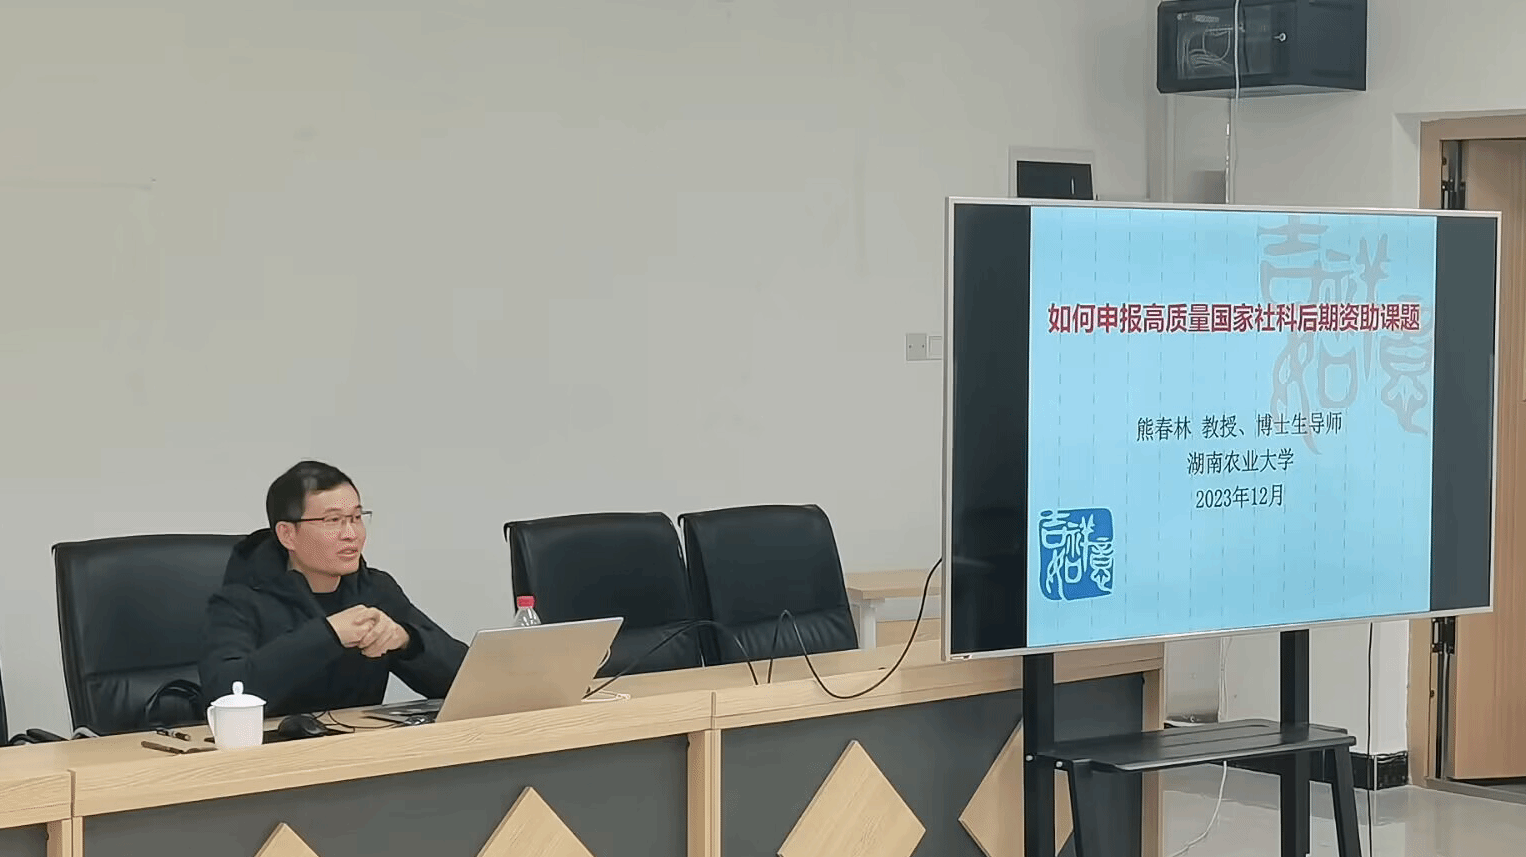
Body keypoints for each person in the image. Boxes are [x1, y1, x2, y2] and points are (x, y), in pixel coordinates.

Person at [199, 460, 467, 717]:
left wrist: (407, 640)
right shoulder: (240, 600)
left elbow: (468, 682)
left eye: (356, 517)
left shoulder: (375, 589)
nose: (351, 533)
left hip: (361, 743)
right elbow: (223, 693)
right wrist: (328, 634)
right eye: (332, 520)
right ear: (287, 534)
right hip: (272, 746)